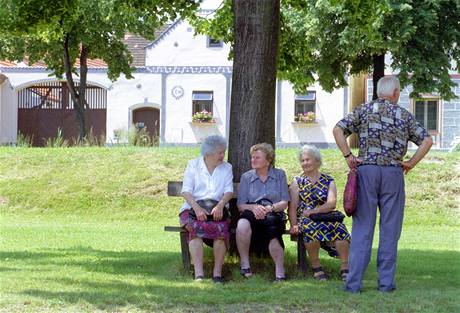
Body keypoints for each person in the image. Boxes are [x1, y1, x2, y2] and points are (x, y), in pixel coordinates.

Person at [333, 76, 433, 293]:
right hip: (393, 174)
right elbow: (427, 140)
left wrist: (348, 155)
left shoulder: (363, 110)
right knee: (390, 230)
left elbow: (337, 130)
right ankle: (386, 284)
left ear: (378, 92)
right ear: (396, 92)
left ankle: (353, 284)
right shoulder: (404, 116)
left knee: (362, 229)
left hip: (366, 171)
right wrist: (410, 164)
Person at [288, 145, 351, 281]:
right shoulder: (297, 181)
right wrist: (293, 225)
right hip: (305, 219)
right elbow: (292, 206)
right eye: (302, 160)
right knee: (311, 229)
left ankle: (345, 267)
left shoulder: (328, 180)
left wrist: (314, 211)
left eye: (308, 160)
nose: (305, 163)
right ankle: (316, 267)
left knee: (340, 229)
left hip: (325, 216)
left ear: (317, 161)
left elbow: (331, 203)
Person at [180, 135, 234, 283]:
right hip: (193, 207)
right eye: (220, 152)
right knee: (195, 228)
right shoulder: (193, 165)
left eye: (223, 152)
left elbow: (229, 191)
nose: (222, 156)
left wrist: (220, 205)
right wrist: (197, 209)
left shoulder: (226, 167)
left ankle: (217, 274)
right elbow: (186, 191)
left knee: (221, 229)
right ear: (208, 153)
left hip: (218, 208)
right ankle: (199, 274)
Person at [236, 143, 290, 281]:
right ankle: (245, 264)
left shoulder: (279, 175)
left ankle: (279, 269)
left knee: (272, 226)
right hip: (252, 211)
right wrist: (254, 208)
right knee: (242, 224)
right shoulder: (246, 177)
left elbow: (284, 202)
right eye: (252, 157)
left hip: (273, 212)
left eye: (257, 158)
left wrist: (269, 209)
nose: (253, 160)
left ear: (268, 160)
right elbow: (241, 205)